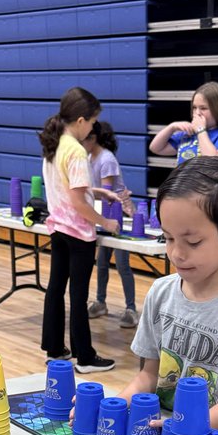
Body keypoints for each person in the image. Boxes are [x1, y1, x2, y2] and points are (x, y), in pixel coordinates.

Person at [117, 157, 218, 435]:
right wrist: (115, 405)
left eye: (194, 242)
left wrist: (185, 429)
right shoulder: (161, 293)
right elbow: (148, 375)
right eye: (168, 238)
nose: (176, 254)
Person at [39, 87, 120, 374]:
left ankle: (54, 349)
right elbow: (78, 201)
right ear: (82, 120)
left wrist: (96, 190)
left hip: (58, 228)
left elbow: (66, 187)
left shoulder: (55, 144)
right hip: (77, 232)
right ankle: (84, 356)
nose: (94, 126)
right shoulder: (76, 151)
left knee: (56, 288)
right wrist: (105, 221)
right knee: (78, 294)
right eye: (94, 121)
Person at [84, 121, 139, 329]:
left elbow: (107, 193)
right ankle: (100, 302)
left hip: (119, 215)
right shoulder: (90, 158)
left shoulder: (107, 159)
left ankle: (131, 309)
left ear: (93, 138)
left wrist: (84, 192)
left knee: (123, 263)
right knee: (102, 262)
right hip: (104, 215)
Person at [148, 81, 218, 166]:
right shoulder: (187, 135)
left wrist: (200, 130)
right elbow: (156, 148)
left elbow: (211, 162)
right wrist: (171, 127)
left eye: (203, 108)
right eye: (194, 108)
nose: (197, 113)